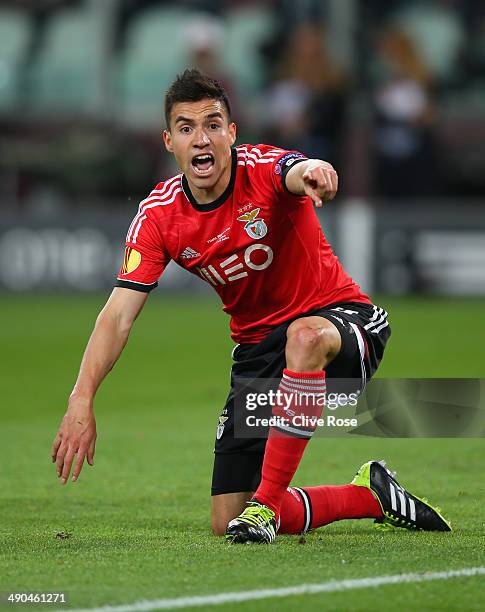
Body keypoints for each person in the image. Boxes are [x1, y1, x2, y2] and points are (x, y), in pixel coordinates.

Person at [51, 69, 450, 544]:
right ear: (169, 142)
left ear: (231, 133)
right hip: (259, 352)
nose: (202, 139)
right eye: (187, 128)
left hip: (342, 321)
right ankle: (371, 496)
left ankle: (265, 508)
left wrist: (316, 171)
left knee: (304, 338)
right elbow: (117, 315)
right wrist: (82, 397)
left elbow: (297, 170)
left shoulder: (262, 168)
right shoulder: (158, 217)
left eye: (213, 124)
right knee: (226, 520)